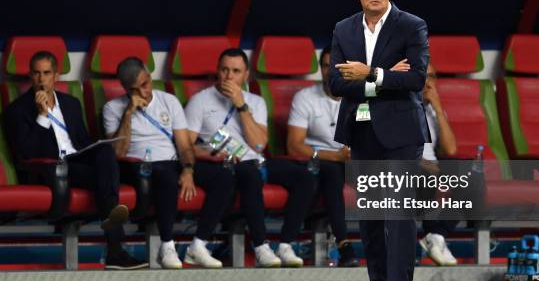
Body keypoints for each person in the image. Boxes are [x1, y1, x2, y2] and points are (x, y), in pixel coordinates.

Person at [329, 0, 430, 281]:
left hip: (401, 133)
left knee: (398, 213)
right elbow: (337, 83)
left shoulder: (411, 25)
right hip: (362, 131)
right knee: (371, 216)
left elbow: (415, 79)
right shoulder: (343, 29)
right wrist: (387, 77)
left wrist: (368, 73)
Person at [4, 51, 146, 270]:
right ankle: (115, 250)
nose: (41, 79)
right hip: (52, 170)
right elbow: (26, 153)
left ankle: (115, 250)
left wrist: (96, 148)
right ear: (30, 76)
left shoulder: (70, 103)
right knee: (108, 181)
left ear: (56, 75)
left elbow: (82, 141)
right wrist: (42, 116)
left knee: (106, 154)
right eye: (36, 73)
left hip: (78, 162)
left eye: (47, 73)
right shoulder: (17, 110)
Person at [184, 48, 317, 268]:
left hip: (255, 159)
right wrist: (208, 152)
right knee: (250, 173)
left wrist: (241, 105)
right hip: (224, 163)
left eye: (235, 71)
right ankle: (261, 246)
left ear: (245, 75)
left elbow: (258, 144)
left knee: (304, 177)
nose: (228, 76)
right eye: (224, 70)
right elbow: (186, 145)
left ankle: (285, 245)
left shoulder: (255, 102)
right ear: (218, 71)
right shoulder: (201, 101)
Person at [103, 57, 232, 269]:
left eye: (145, 84)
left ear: (149, 75)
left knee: (224, 177)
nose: (144, 92)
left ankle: (198, 245)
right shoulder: (113, 108)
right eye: (136, 89)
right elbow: (117, 153)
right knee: (166, 176)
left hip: (173, 161)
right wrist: (128, 114)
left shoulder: (168, 101)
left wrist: (188, 170)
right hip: (140, 166)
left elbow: (183, 145)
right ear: (125, 88)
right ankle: (167, 245)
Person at [286, 46, 359, 267]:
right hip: (319, 163)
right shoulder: (305, 98)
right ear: (321, 69)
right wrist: (334, 156)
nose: (331, 72)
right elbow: (294, 146)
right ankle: (344, 245)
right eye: (327, 66)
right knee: (331, 171)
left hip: (354, 161)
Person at [418, 63, 459, 266]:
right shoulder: (399, 106)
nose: (427, 83)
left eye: (432, 77)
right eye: (422, 76)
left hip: (434, 168)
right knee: (434, 179)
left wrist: (439, 108)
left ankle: (436, 236)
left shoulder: (433, 110)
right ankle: (434, 236)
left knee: (469, 176)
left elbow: (450, 150)